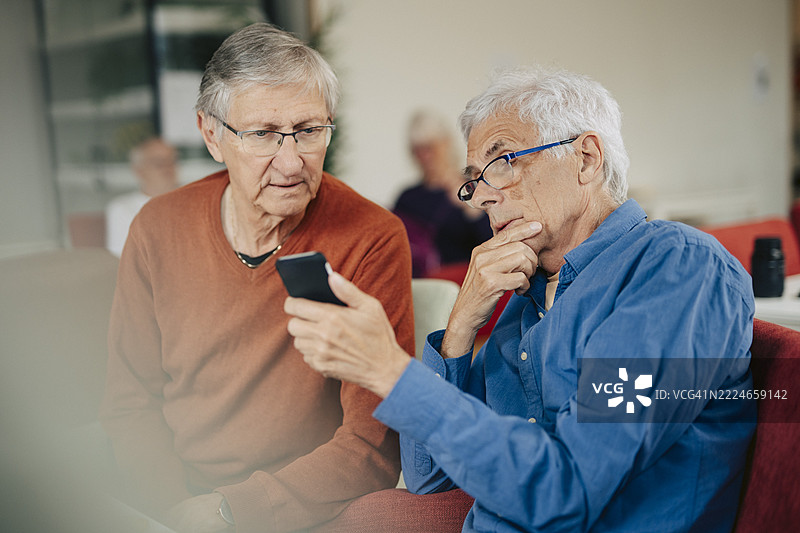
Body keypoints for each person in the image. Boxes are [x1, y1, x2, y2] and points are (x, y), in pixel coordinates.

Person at [284, 66, 756, 532]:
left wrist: (388, 369)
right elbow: (429, 476)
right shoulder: (525, 298)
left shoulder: (674, 270)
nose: (482, 198)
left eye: (503, 161)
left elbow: (566, 489)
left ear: (586, 159)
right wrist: (459, 329)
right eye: (473, 179)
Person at [99, 23, 414, 533]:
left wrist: (232, 511)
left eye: (309, 131)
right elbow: (129, 402)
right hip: (172, 506)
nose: (291, 162)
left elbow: (374, 445)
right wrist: (172, 512)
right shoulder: (157, 228)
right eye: (263, 134)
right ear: (211, 135)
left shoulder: (371, 237)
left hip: (303, 509)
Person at [393, 109, 492, 277]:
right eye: (418, 150)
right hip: (425, 282)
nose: (425, 156)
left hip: (468, 278)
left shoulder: (474, 186)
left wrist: (470, 207)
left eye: (430, 148)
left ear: (446, 144)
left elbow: (493, 241)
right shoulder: (407, 198)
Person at [105, 137, 179, 257]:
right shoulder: (122, 208)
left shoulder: (194, 201)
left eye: (172, 160)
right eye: (159, 163)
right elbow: (122, 258)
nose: (168, 167)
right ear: (139, 170)